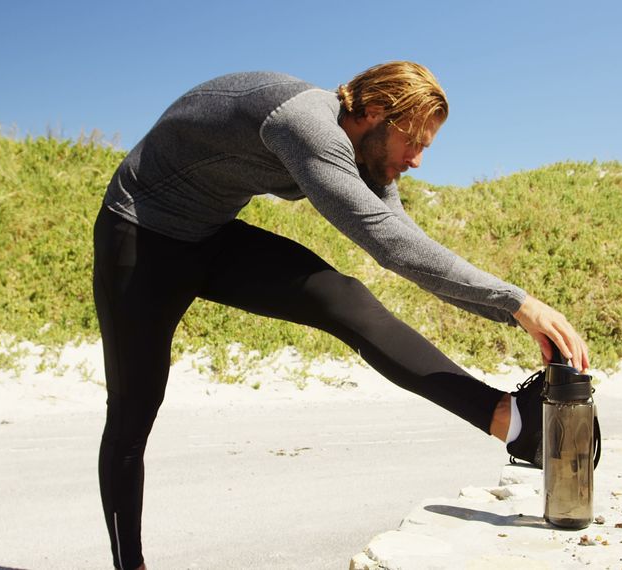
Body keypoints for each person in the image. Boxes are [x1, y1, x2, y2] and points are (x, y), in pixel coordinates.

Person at [92, 61, 589, 570]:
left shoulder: (367, 152)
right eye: (412, 142)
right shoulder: (306, 126)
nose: (417, 160)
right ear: (374, 113)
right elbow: (390, 247)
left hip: (211, 234)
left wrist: (516, 314)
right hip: (138, 236)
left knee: (345, 300)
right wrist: (518, 302)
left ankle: (511, 422)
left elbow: (414, 250)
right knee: (133, 411)